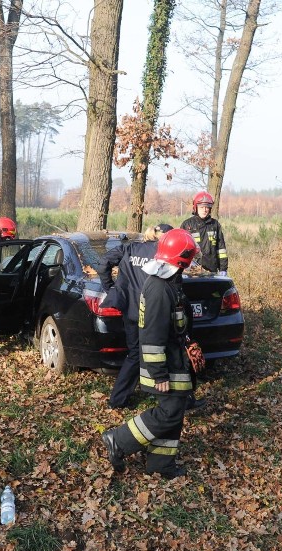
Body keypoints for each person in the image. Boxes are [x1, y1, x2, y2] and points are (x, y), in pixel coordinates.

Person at [100, 229, 200, 480]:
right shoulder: (159, 288)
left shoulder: (169, 281)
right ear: (181, 259)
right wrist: (158, 374)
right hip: (163, 365)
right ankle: (119, 440)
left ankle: (161, 464)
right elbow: (151, 334)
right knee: (169, 412)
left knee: (174, 410)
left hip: (174, 359)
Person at [97, 223, 173, 409]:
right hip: (153, 311)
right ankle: (174, 398)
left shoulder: (130, 247)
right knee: (165, 351)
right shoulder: (163, 253)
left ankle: (118, 399)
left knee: (135, 354)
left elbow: (102, 264)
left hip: (131, 310)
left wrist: (111, 289)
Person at [181, 191, 228, 275]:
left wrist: (223, 268)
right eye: (202, 207)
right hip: (192, 271)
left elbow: (221, 249)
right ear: (195, 208)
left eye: (207, 207)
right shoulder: (187, 225)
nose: (205, 210)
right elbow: (181, 249)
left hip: (212, 271)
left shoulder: (215, 225)